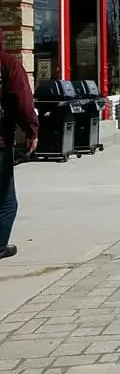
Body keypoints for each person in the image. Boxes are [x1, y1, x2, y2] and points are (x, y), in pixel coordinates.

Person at [0, 30, 40, 260]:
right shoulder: (7, 64)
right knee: (6, 201)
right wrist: (31, 130)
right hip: (1, 141)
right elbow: (22, 100)